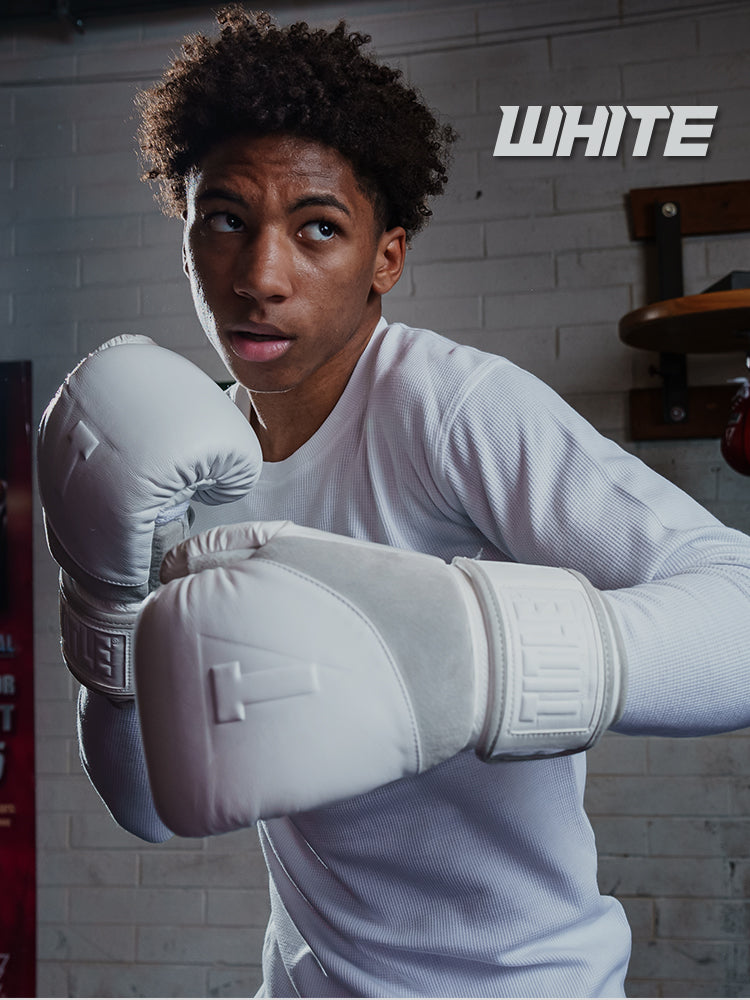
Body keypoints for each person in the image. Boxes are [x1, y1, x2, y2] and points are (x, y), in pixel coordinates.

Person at [38, 6, 750, 998]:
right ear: (187, 238)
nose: (261, 277)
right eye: (227, 220)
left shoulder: (450, 408)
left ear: (386, 258)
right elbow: (150, 807)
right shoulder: (185, 461)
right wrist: (102, 608)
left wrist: (473, 654)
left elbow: (739, 609)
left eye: (318, 228)